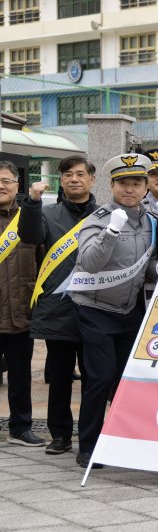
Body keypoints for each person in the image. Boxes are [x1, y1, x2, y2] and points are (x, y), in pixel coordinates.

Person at [69, 153, 158, 468]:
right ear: (112, 185)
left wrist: (157, 268)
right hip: (95, 309)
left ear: (145, 186)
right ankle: (89, 446)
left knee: (128, 379)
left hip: (129, 310)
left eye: (137, 183)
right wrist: (111, 233)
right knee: (100, 377)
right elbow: (90, 263)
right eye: (124, 183)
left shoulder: (149, 219)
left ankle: (124, 440)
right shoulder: (97, 219)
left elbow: (141, 264)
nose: (130, 189)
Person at [18, 156, 98, 455]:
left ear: (91, 179)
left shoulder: (107, 214)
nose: (74, 179)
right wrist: (33, 202)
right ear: (61, 181)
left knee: (95, 378)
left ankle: (92, 435)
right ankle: (60, 435)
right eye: (67, 174)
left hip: (98, 307)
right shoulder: (47, 213)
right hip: (59, 308)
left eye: (80, 174)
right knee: (60, 376)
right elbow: (29, 236)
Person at [0, 161, 46, 447]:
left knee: (20, 375)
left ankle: (20, 427)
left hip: (19, 312)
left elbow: (45, 262)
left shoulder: (31, 219)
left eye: (6, 180)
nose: (1, 185)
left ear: (18, 185)